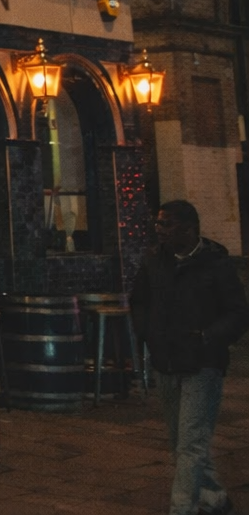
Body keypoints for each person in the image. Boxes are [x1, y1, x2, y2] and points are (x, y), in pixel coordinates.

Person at [131, 199, 249, 515]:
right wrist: (148, 333)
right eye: (157, 223)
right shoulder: (154, 261)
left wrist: (207, 337)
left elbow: (238, 312)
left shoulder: (216, 264)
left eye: (166, 224)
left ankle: (181, 507)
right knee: (179, 441)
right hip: (166, 361)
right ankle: (214, 498)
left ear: (188, 228)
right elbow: (139, 300)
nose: (159, 230)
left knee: (191, 444)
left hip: (202, 363)